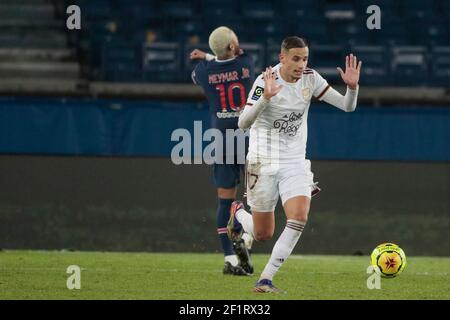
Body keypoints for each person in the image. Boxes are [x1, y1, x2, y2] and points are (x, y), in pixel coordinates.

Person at [228, 36, 362, 292]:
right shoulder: (264, 81)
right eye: (296, 59)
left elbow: (347, 107)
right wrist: (266, 98)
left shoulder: (311, 79)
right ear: (282, 58)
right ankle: (238, 214)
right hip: (262, 161)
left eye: (305, 58)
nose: (302, 64)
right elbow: (242, 123)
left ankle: (265, 279)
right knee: (262, 233)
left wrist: (352, 88)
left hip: (294, 161)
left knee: (299, 217)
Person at [190, 26, 255, 276]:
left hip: (222, 139)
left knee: (224, 200)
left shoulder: (202, 72)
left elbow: (205, 72)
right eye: (234, 39)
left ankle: (230, 258)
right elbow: (237, 57)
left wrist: (208, 58)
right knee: (258, 196)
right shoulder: (245, 64)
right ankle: (246, 236)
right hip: (249, 137)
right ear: (231, 46)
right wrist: (208, 55)